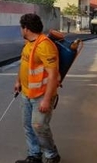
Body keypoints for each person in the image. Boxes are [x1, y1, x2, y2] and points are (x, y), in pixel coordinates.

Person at [13, 13, 61, 163]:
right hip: (26, 94)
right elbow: (24, 64)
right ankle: (34, 155)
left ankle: (52, 155)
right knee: (28, 126)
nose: (21, 31)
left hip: (41, 95)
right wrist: (18, 81)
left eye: (21, 28)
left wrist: (47, 100)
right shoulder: (28, 44)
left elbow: (54, 75)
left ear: (26, 29)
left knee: (39, 126)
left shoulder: (45, 46)